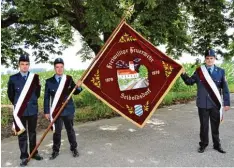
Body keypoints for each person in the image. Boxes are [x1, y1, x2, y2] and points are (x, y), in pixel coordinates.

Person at [181, 49, 230, 153]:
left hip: (215, 104)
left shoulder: (221, 71)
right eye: (207, 58)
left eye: (211, 58)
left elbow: (225, 89)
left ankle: (217, 145)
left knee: (215, 126)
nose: (209, 60)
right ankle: (203, 144)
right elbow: (189, 82)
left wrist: (227, 103)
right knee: (203, 126)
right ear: (205, 59)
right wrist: (183, 73)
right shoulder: (199, 71)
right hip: (202, 104)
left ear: (214, 59)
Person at [7, 55, 43, 167]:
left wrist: (30, 102)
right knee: (22, 134)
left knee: (32, 132)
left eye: (27, 64)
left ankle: (33, 153)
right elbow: (11, 95)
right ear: (19, 65)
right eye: (22, 64)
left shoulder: (35, 77)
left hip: (32, 109)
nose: (24, 66)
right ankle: (24, 156)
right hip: (20, 111)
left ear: (29, 65)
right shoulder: (13, 78)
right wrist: (19, 105)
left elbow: (37, 94)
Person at [44, 58, 82, 160]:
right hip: (56, 111)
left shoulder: (68, 79)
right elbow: (46, 98)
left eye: (61, 67)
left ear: (63, 67)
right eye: (57, 67)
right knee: (57, 132)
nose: (59, 69)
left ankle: (74, 148)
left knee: (70, 130)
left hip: (68, 110)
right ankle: (55, 151)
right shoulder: (49, 82)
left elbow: (75, 91)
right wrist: (46, 111)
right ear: (54, 68)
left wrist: (78, 86)